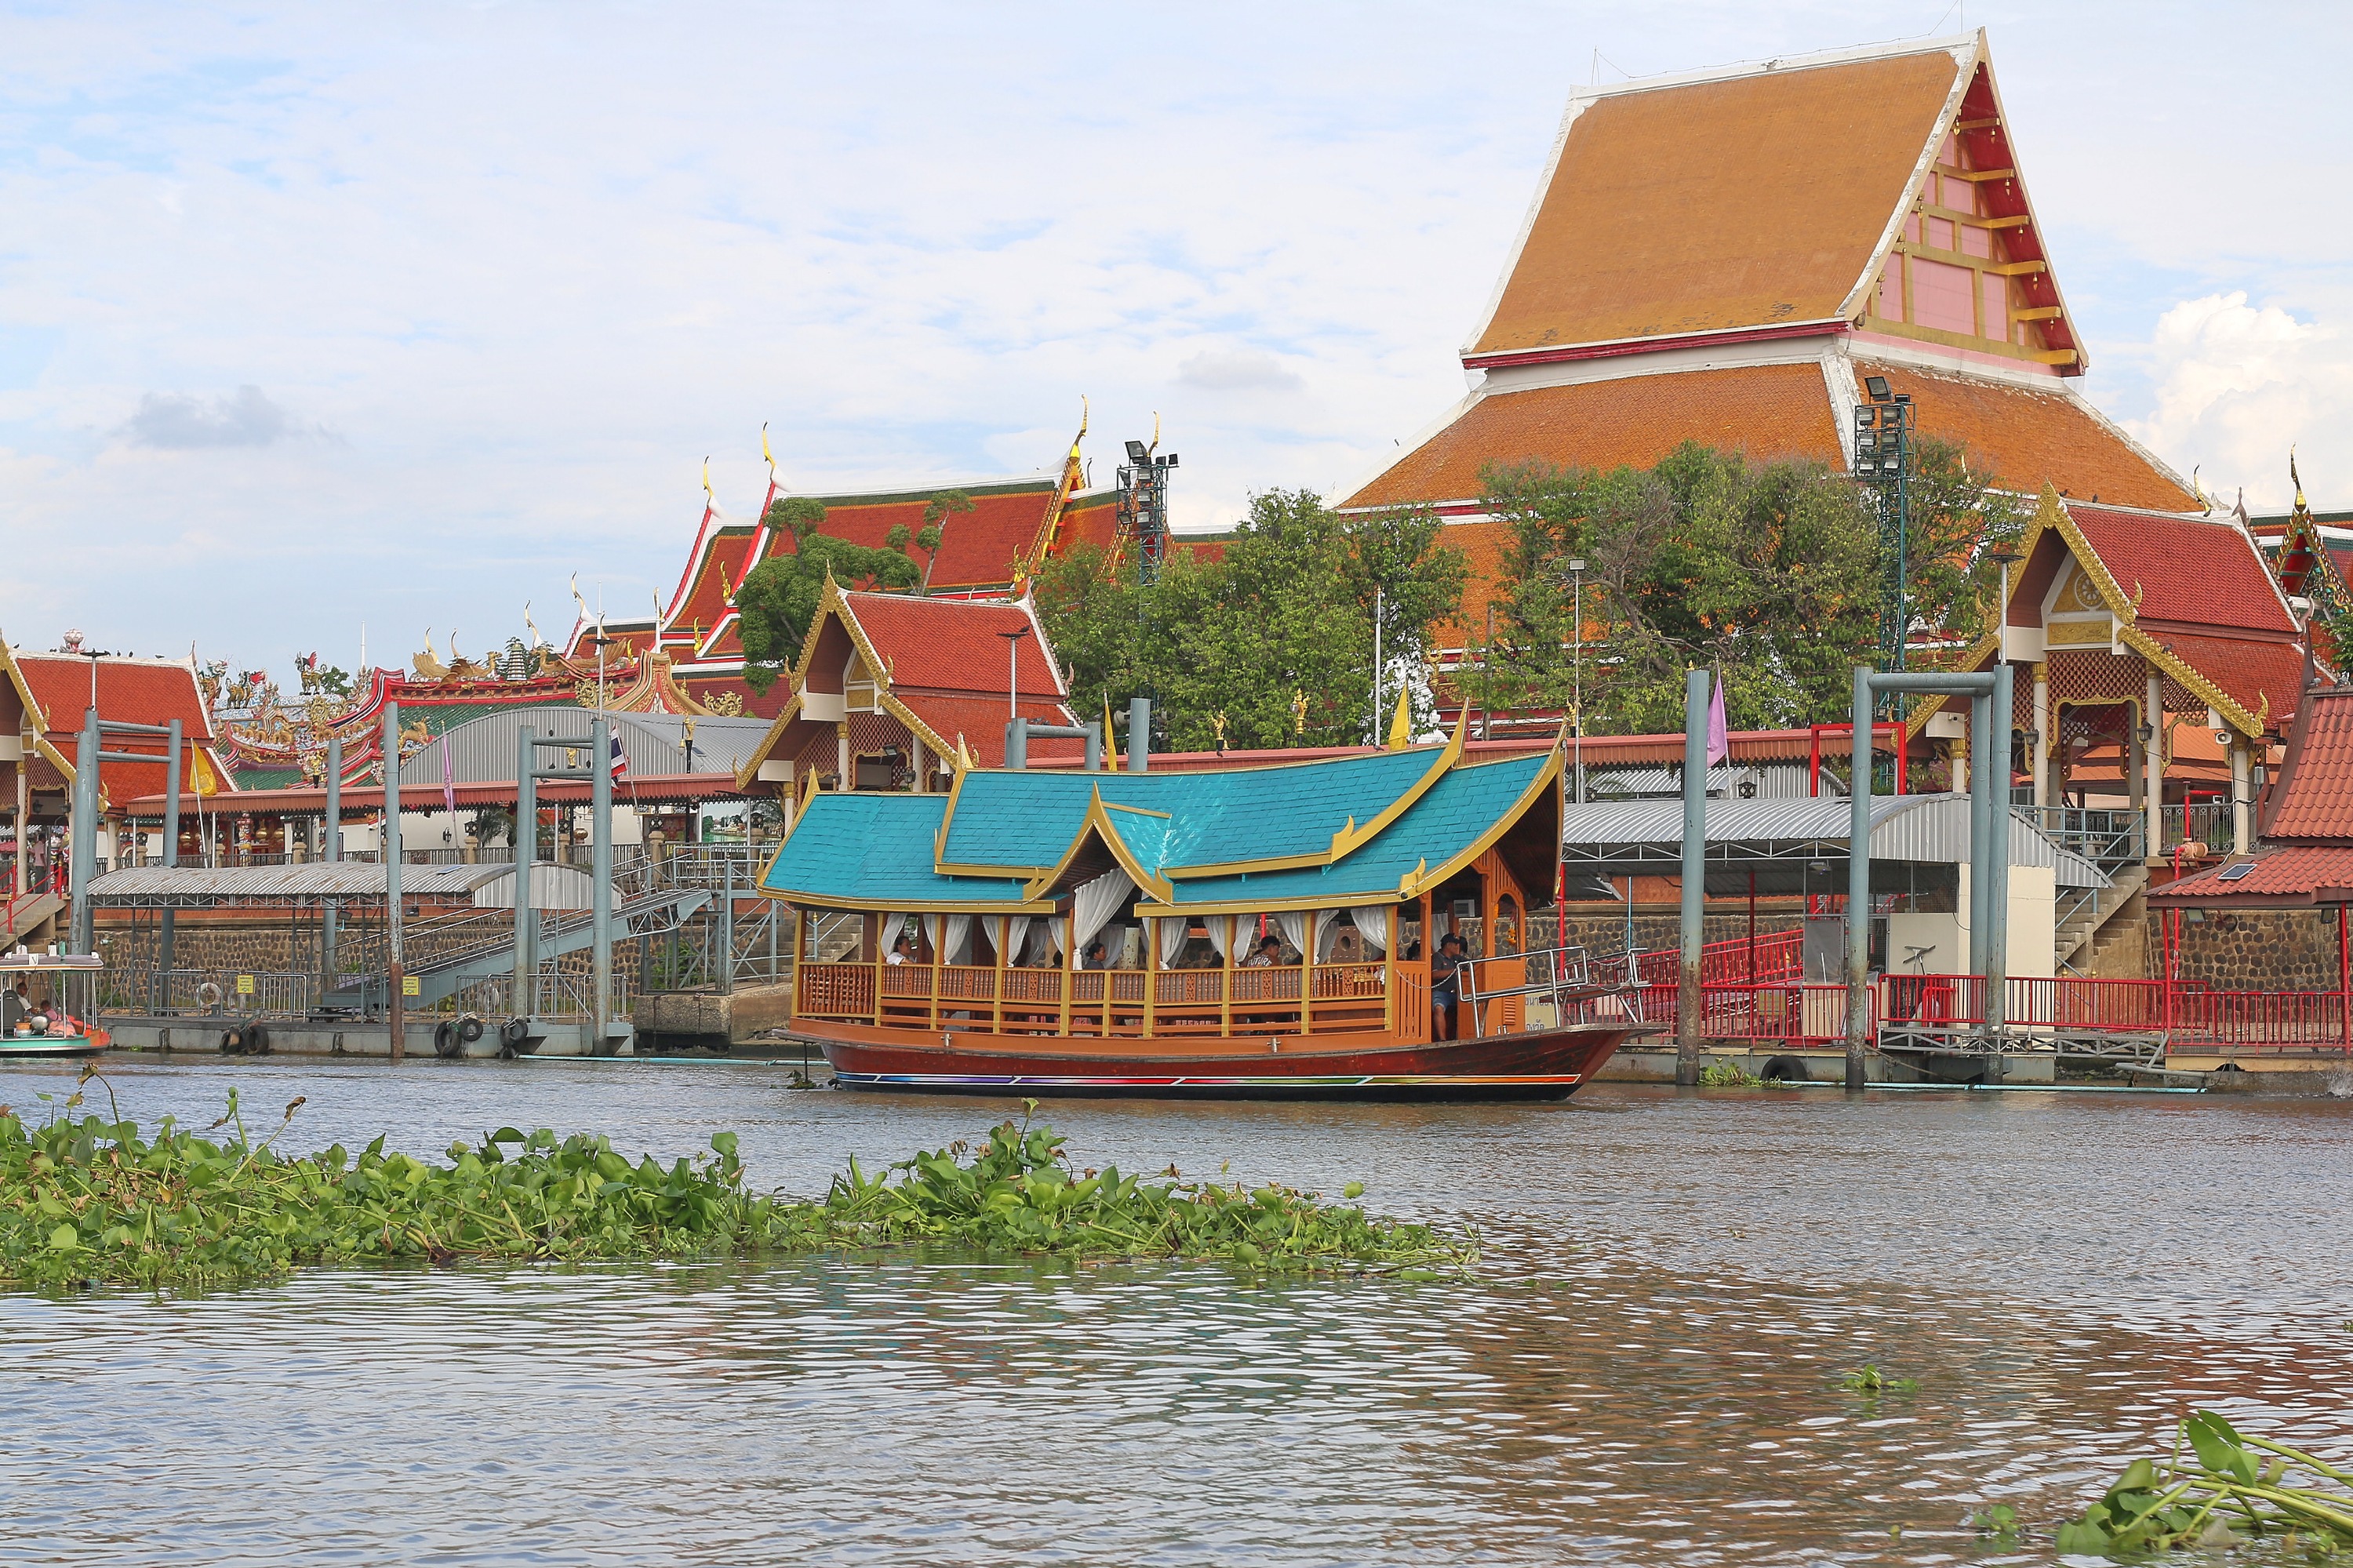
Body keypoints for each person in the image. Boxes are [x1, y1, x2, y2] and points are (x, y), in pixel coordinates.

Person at [1431, 933, 1469, 1041]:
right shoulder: (1437, 957)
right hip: (1441, 992)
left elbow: (1472, 964)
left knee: (1471, 1005)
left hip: (1456, 994)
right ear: (1448, 945)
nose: (1458, 947)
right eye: (1456, 944)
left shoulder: (1456, 958)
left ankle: (1466, 1036)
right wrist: (1453, 971)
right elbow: (1434, 974)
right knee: (1438, 1008)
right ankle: (1443, 1040)